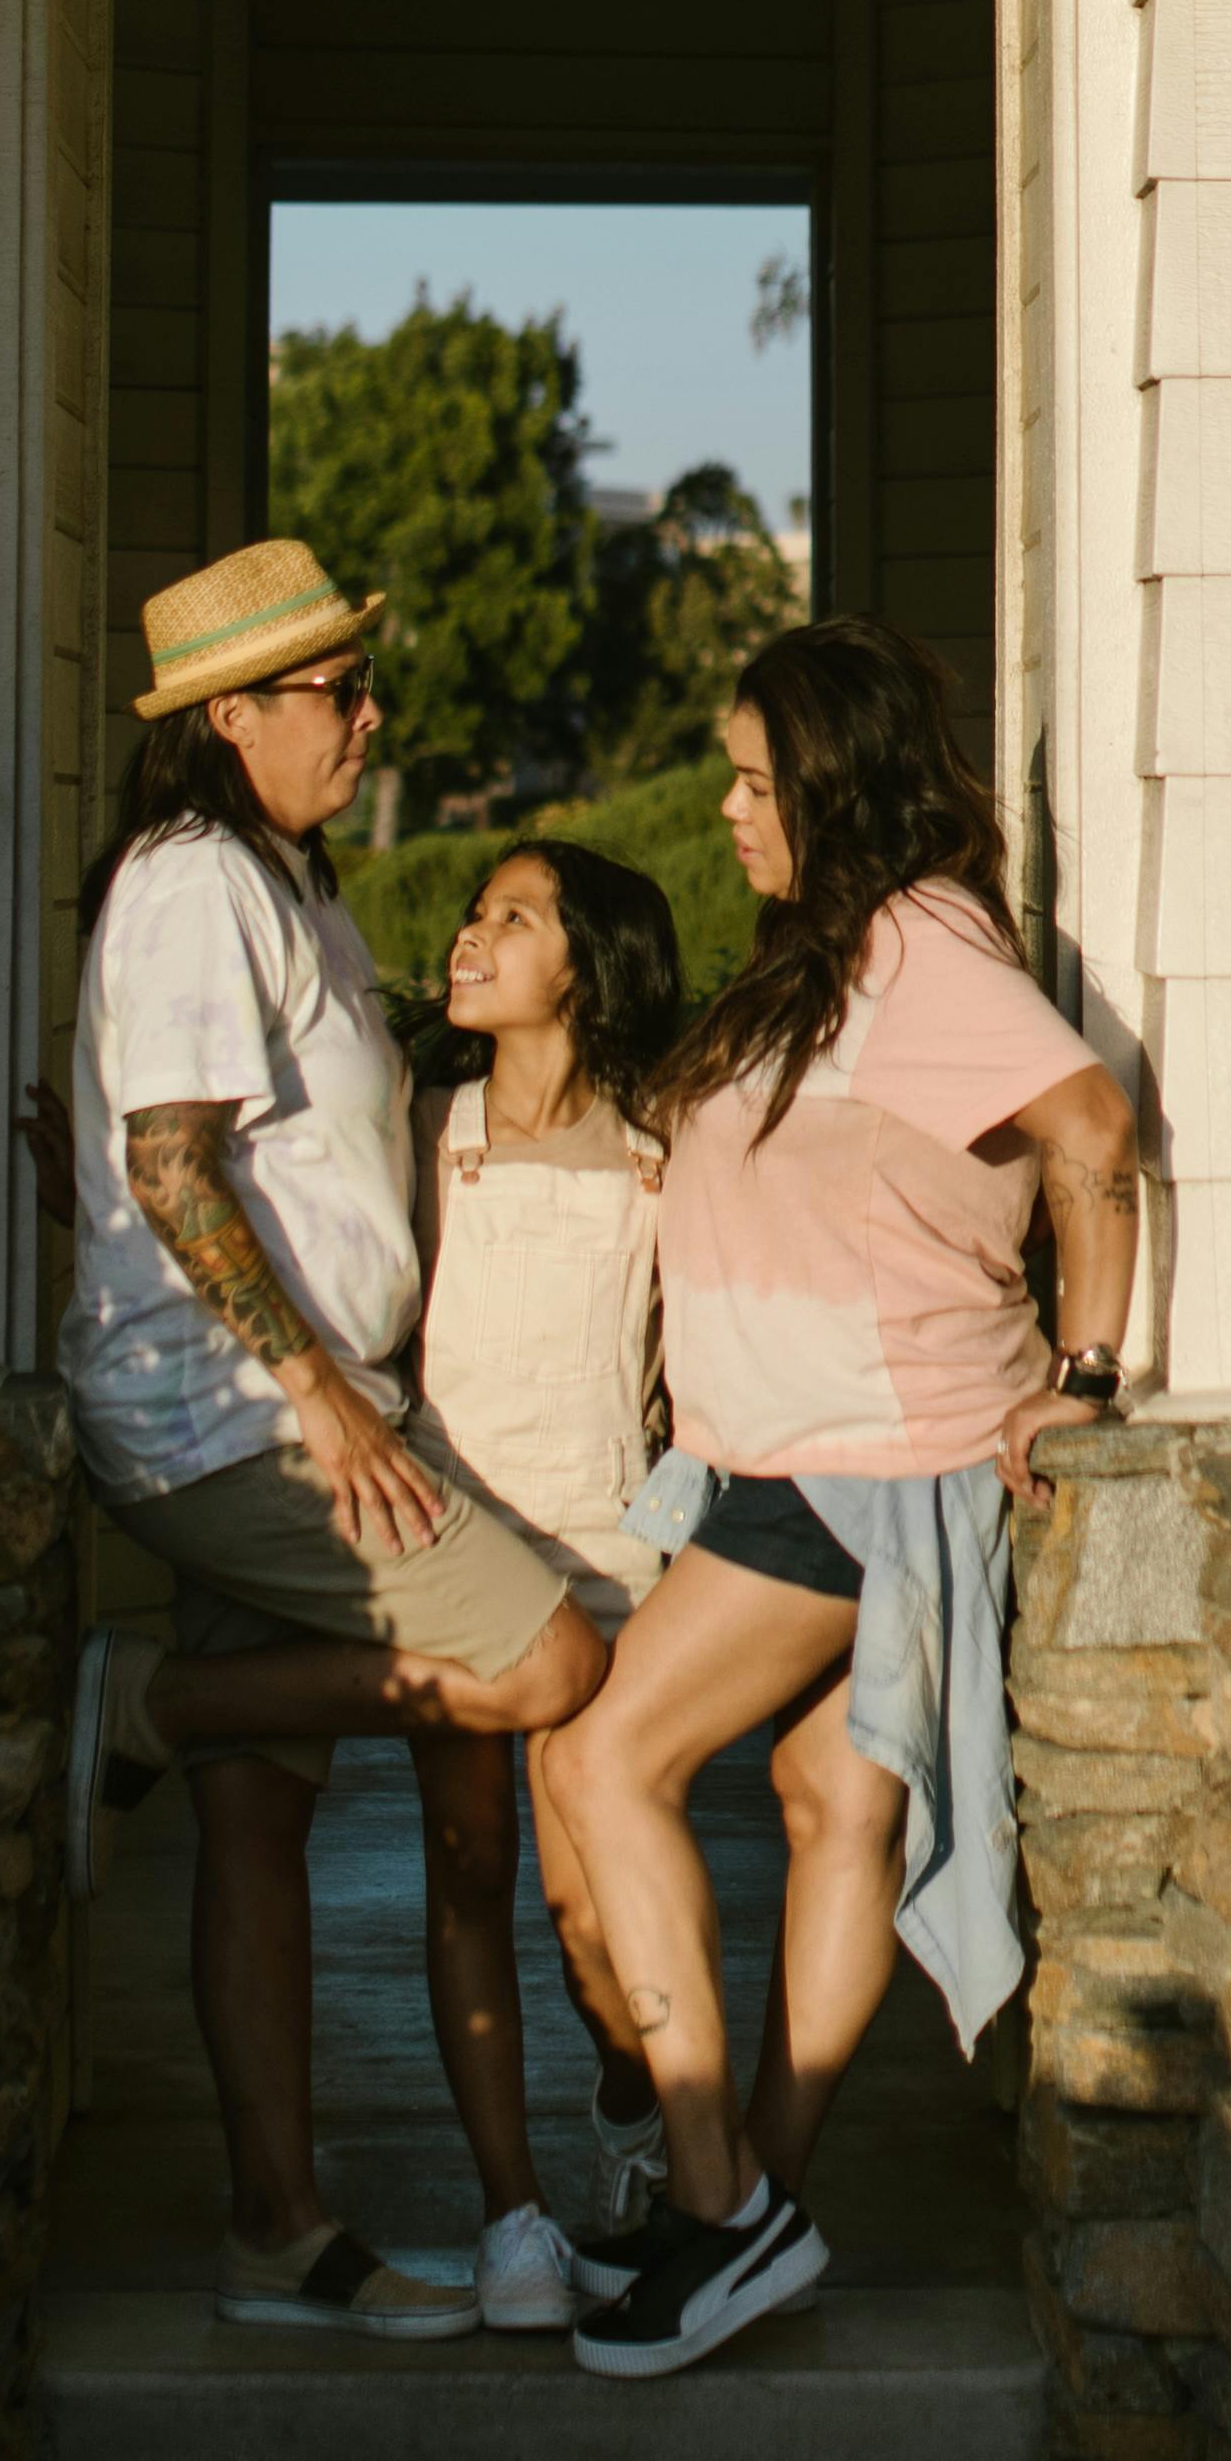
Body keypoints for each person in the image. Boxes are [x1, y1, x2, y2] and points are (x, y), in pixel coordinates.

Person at [543, 614, 1144, 2385]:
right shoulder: (837, 956)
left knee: (599, 1762)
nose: (729, 810)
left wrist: (1085, 1378)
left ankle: (722, 2204)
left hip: (863, 1452)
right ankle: (750, 2215)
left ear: (835, 786)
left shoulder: (922, 948)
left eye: (753, 780)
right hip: (789, 1444)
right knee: (824, 1802)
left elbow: (1091, 1131)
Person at [54, 538, 611, 2345]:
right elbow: (169, 1160)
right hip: (239, 1420)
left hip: (288, 1401)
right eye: (334, 694)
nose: (367, 718)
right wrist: (312, 1393)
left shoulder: (284, 885)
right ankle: (143, 1707)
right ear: (233, 716)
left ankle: (277, 2229)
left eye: (364, 689)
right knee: (540, 1660)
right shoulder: (195, 882)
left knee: (256, 1823)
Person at [396, 839, 685, 2272]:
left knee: (586, 1912)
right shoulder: (423, 1135)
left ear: (589, 963)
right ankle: (511, 2213)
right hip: (453, 1557)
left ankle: (631, 2102)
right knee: (466, 1868)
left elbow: (683, 1377)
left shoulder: (654, 1164)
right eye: (474, 909)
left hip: (598, 1565)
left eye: (514, 916)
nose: (471, 931)